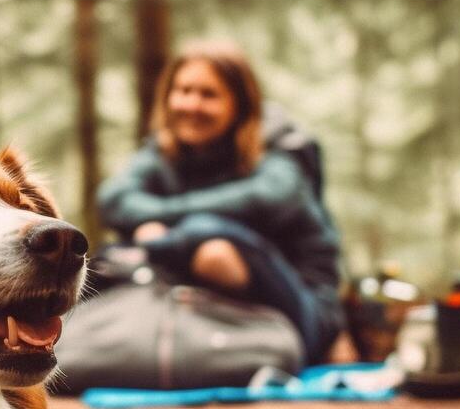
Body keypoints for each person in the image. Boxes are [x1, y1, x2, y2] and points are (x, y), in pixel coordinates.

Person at [96, 40, 342, 364]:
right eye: (182, 90)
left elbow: (269, 199)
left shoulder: (282, 146)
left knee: (211, 246)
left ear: (240, 104)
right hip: (202, 311)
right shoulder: (164, 151)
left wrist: (165, 237)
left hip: (301, 313)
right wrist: (167, 233)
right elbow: (113, 200)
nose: (191, 104)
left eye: (208, 95)